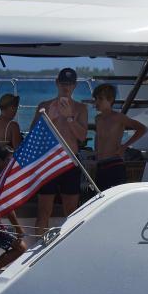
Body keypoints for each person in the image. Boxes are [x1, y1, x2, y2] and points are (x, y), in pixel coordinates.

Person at [33, 68, 88, 232]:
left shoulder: (80, 108)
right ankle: (39, 246)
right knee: (43, 211)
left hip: (70, 162)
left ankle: (70, 246)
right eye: (63, 83)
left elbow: (82, 137)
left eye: (69, 84)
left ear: (75, 86)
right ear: (57, 83)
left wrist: (69, 117)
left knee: (71, 212)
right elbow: (34, 136)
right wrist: (50, 118)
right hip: (48, 162)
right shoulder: (44, 106)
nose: (66, 87)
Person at [91, 84, 148, 191]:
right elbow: (99, 138)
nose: (97, 102)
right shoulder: (98, 118)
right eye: (96, 99)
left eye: (100, 99)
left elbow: (142, 129)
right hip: (100, 164)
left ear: (110, 100)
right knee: (100, 196)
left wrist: (124, 146)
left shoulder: (118, 117)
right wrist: (95, 153)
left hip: (114, 163)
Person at [0, 93, 22, 173]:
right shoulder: (13, 125)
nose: (16, 111)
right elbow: (18, 152)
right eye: (15, 107)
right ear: (10, 107)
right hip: (7, 172)